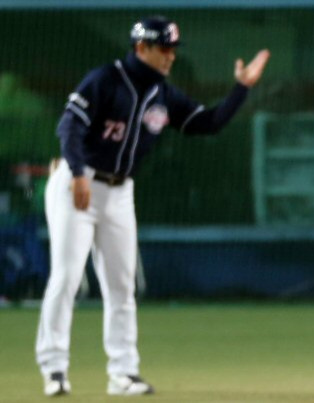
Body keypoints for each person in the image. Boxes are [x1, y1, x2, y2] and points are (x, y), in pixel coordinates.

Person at [36, 16, 269, 396]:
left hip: (119, 192)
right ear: (141, 47)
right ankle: (54, 368)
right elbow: (69, 127)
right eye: (164, 48)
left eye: (173, 49)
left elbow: (206, 123)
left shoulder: (163, 94)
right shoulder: (105, 79)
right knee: (66, 278)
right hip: (77, 183)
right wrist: (77, 171)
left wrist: (241, 89)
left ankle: (124, 373)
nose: (171, 56)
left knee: (122, 285)